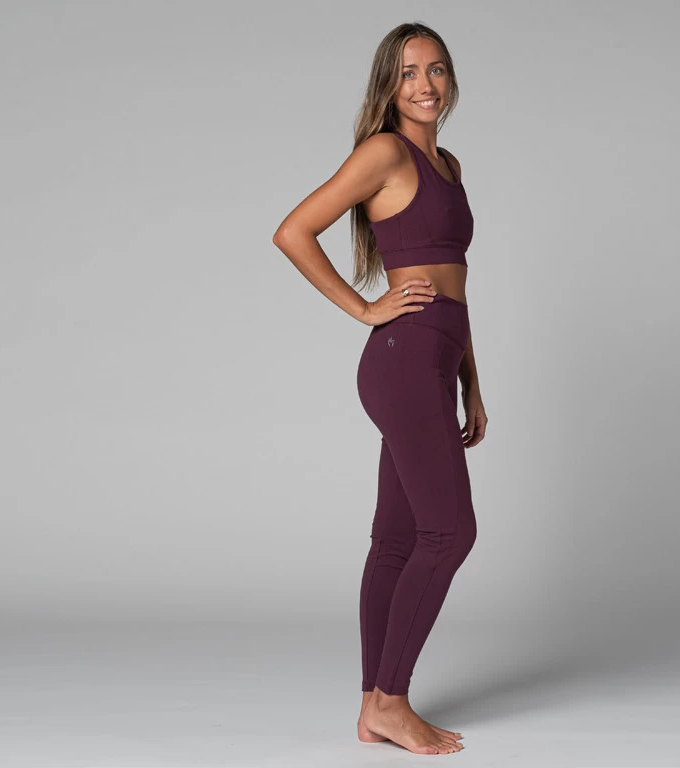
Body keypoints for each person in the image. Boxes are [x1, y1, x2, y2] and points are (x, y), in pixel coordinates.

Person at [273, 22, 487, 756]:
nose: (425, 84)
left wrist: (471, 382)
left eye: (437, 69)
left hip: (433, 361)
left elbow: (456, 286)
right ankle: (393, 702)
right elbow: (294, 231)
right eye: (408, 72)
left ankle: (373, 707)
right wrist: (365, 308)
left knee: (398, 538)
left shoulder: (447, 164)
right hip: (402, 359)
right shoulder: (385, 152)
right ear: (388, 87)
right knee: (449, 533)